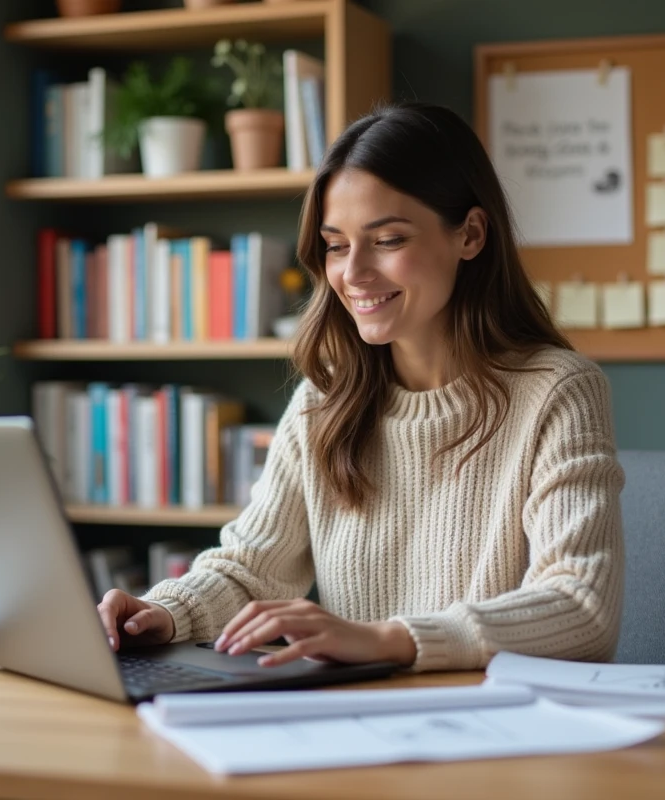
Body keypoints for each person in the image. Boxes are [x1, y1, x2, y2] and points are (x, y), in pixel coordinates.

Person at [97, 102, 625, 672]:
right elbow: (251, 570)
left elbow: (582, 605)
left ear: (470, 235)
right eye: (336, 244)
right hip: (358, 728)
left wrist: (389, 640)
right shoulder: (323, 404)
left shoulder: (557, 392)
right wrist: (162, 613)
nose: (352, 273)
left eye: (389, 239)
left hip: (499, 736)